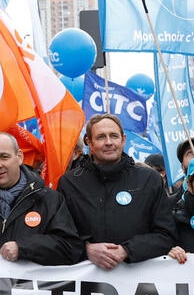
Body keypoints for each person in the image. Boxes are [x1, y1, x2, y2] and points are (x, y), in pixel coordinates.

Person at [58, 114, 175, 270]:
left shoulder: (149, 180)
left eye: (114, 136)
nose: (108, 142)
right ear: (89, 143)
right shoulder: (69, 183)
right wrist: (86, 249)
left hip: (139, 285)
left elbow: (166, 235)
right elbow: (59, 236)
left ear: (123, 139)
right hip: (86, 288)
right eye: (101, 137)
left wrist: (127, 250)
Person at [0, 133, 82, 264]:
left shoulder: (49, 199)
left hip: (30, 284)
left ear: (19, 157)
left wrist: (24, 248)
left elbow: (70, 247)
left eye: (4, 157)